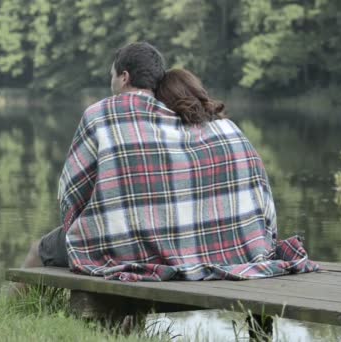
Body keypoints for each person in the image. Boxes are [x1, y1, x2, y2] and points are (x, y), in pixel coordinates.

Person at [21, 42, 318, 281]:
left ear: (124, 77)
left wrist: (80, 227)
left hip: (121, 245)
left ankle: (21, 316)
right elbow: (263, 199)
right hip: (236, 250)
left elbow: (72, 191)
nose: (111, 82)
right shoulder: (202, 127)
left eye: (112, 75)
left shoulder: (101, 114)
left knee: (41, 249)